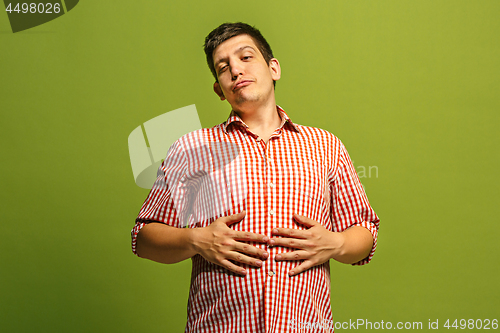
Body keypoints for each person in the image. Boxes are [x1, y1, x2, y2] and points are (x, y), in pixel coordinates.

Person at [131, 22, 379, 333]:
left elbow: (365, 231)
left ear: (273, 68)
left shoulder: (325, 146)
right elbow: (144, 238)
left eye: (245, 57)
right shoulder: (192, 148)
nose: (235, 70)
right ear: (219, 89)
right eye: (224, 67)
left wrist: (337, 243)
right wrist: (196, 239)